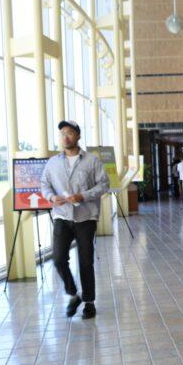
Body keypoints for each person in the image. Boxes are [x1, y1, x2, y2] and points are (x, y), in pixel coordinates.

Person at [41, 120, 109, 319]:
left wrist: (83, 196)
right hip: (62, 217)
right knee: (59, 259)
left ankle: (89, 302)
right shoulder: (53, 162)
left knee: (85, 261)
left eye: (70, 133)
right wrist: (52, 198)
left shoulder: (91, 160)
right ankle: (73, 293)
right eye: (62, 133)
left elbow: (104, 185)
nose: (65, 137)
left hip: (85, 217)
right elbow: (45, 184)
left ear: (78, 136)